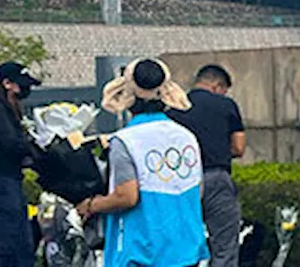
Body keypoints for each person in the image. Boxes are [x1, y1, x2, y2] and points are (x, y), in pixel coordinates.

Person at [77, 58, 209, 267]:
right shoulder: (186, 137)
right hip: (187, 248)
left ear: (126, 95)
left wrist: (91, 205)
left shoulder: (126, 141)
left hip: (142, 252)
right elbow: (198, 190)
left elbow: (126, 196)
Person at [169, 64, 246, 267]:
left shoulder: (174, 108)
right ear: (217, 85)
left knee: (181, 243)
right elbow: (239, 147)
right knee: (225, 246)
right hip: (216, 178)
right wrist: (218, 150)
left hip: (180, 182)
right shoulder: (226, 105)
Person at [0, 61, 41, 267]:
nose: (25, 89)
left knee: (22, 249)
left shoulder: (9, 109)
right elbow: (11, 144)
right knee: (5, 249)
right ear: (7, 83)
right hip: (0, 185)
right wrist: (34, 146)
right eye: (21, 84)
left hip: (10, 184)